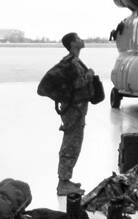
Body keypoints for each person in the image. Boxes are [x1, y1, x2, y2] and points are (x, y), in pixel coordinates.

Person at [39, 32, 97, 196]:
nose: (82, 39)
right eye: (78, 38)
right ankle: (63, 183)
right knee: (71, 145)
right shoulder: (70, 63)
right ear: (72, 44)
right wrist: (89, 76)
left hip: (77, 110)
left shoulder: (76, 61)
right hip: (73, 110)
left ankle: (66, 179)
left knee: (74, 143)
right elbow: (75, 85)